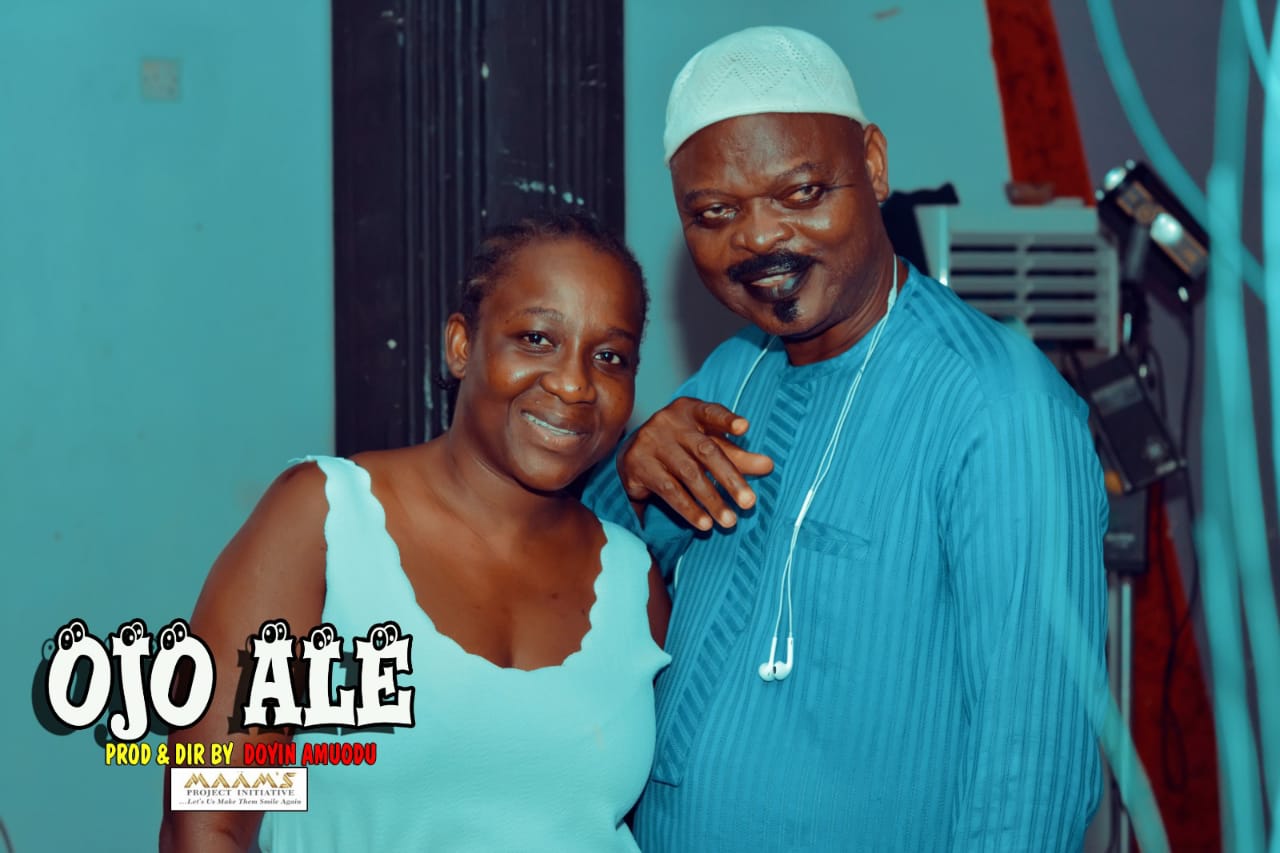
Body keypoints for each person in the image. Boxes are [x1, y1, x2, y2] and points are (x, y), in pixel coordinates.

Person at [582, 26, 1109, 851]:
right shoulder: (731, 374)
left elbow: (1034, 770)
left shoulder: (1001, 408)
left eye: (800, 193)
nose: (759, 237)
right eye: (715, 213)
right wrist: (631, 468)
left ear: (873, 163)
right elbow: (579, 569)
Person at [158, 213, 672, 853]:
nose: (574, 383)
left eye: (609, 356)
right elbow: (208, 823)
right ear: (461, 346)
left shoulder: (633, 581)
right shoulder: (328, 522)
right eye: (537, 338)